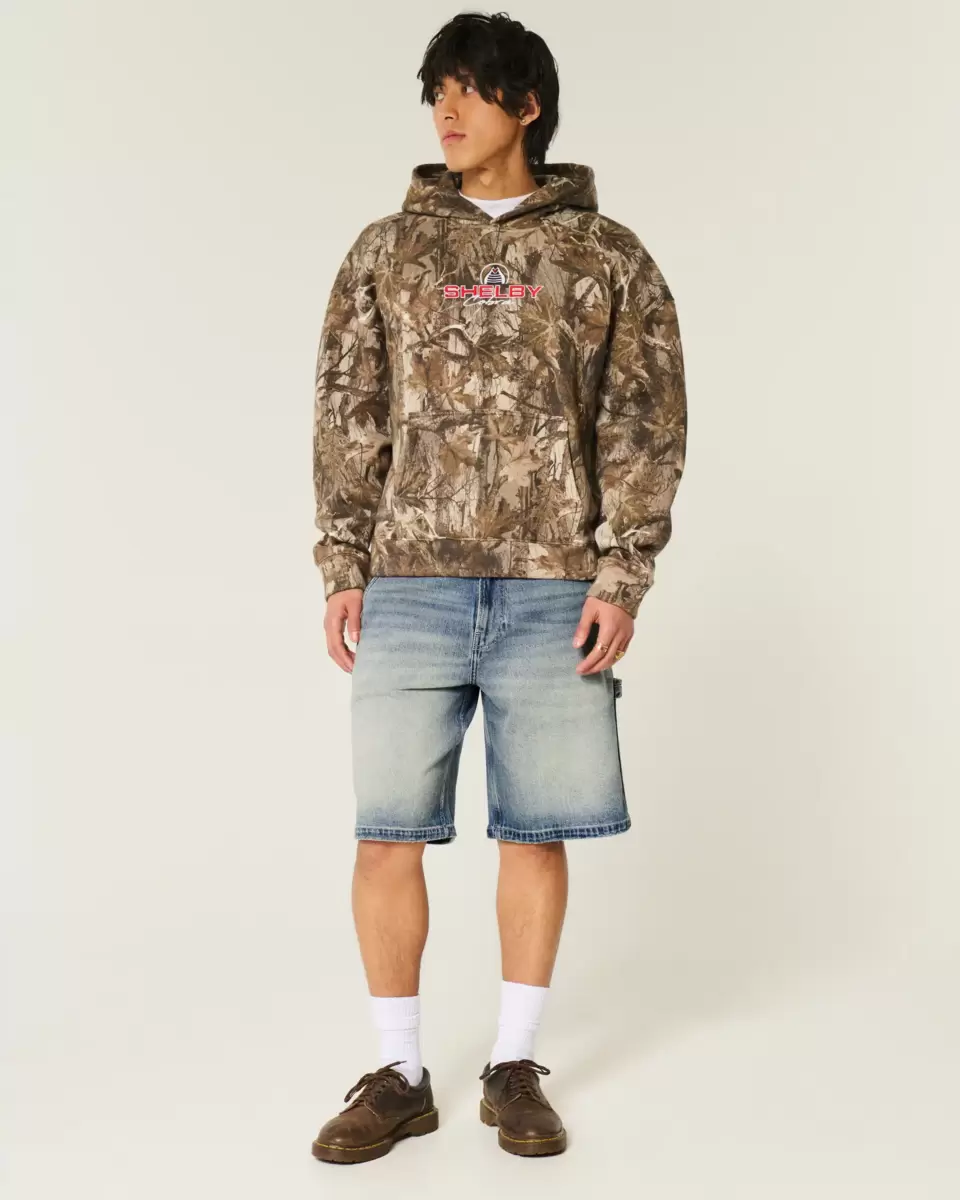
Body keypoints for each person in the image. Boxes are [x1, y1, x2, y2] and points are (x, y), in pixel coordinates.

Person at [309, 10, 687, 1164]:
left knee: (535, 832)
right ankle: (398, 1073)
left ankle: (514, 1065)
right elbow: (348, 410)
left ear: (528, 107)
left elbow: (643, 419)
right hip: (412, 583)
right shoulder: (386, 251)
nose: (448, 110)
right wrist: (342, 561)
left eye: (470, 90)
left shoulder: (606, 255)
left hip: (552, 590)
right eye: (438, 91)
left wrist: (623, 573)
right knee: (387, 834)